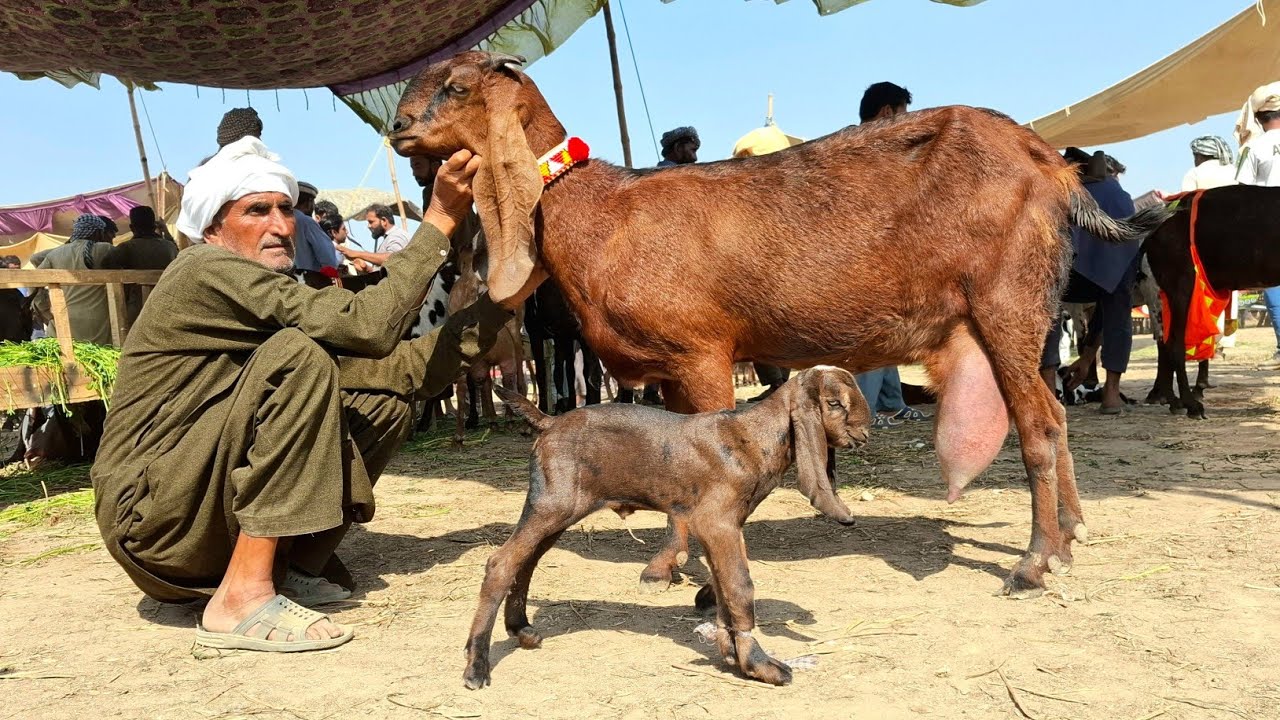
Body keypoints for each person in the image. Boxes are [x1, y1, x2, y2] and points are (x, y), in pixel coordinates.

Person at [90, 136, 511, 652]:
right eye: (257, 210)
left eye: (286, 210)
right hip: (154, 523)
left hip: (193, 515)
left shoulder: (265, 296)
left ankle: (292, 566)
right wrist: (441, 218)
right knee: (299, 355)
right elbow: (371, 326)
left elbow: (404, 369)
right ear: (212, 228)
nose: (281, 225)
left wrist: (501, 303)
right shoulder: (202, 269)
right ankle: (241, 597)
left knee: (384, 399)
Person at [1040, 148, 1139, 413]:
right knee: (1118, 312)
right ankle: (1112, 394)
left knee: (1048, 310)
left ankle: (1049, 393)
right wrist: (1086, 358)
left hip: (1067, 270)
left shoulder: (1056, 189)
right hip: (1115, 272)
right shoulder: (1120, 195)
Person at [853, 81, 928, 427]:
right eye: (903, 114)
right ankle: (863, 412)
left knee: (888, 331)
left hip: (879, 253)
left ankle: (889, 403)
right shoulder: (865, 150)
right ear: (887, 113)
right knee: (873, 332)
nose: (905, 122)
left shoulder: (857, 145)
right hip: (867, 254)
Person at [1235, 82, 1280, 366]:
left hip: (1268, 226)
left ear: (1260, 119)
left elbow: (1242, 193)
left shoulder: (1252, 147)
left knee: (1275, 286)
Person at [32, 213, 115, 345]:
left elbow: (33, 281)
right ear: (97, 233)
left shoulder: (56, 254)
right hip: (98, 322)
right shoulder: (104, 249)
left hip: (65, 320)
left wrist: (46, 312)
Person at [102, 206, 179, 322]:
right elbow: (177, 254)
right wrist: (165, 231)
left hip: (138, 308)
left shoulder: (125, 248)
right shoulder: (170, 247)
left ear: (132, 228)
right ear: (155, 226)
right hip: (167, 306)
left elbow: (105, 266)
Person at [339, 204, 411, 269]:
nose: (368, 226)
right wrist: (366, 268)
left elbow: (392, 259)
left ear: (384, 221)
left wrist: (356, 253)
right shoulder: (389, 237)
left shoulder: (397, 235)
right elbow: (387, 271)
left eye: (371, 222)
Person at [290, 181, 340, 274]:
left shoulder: (282, 221)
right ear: (309, 202)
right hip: (307, 282)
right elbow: (328, 258)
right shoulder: (307, 222)